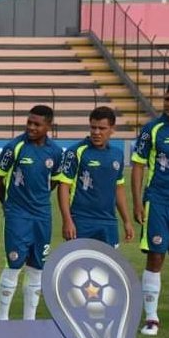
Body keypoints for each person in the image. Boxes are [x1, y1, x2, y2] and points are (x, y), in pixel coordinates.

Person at [0, 105, 64, 321]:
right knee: (14, 263)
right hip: (18, 215)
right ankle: (2, 318)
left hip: (42, 216)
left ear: (48, 126)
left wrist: (39, 197)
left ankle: (29, 320)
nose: (31, 127)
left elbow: (57, 180)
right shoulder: (15, 147)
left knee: (37, 266)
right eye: (29, 122)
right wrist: (7, 203)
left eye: (37, 124)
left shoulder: (56, 152)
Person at [131, 81, 169, 335]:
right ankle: (151, 319)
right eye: (168, 99)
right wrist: (138, 201)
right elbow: (138, 165)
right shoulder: (153, 129)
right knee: (156, 256)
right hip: (159, 202)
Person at [57, 106, 134, 248]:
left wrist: (126, 220)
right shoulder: (75, 152)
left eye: (102, 128)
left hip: (109, 222)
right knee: (79, 267)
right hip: (81, 221)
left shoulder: (117, 154)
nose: (96, 132)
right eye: (93, 127)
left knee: (106, 268)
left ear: (112, 129)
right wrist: (67, 221)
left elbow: (119, 188)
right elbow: (63, 187)